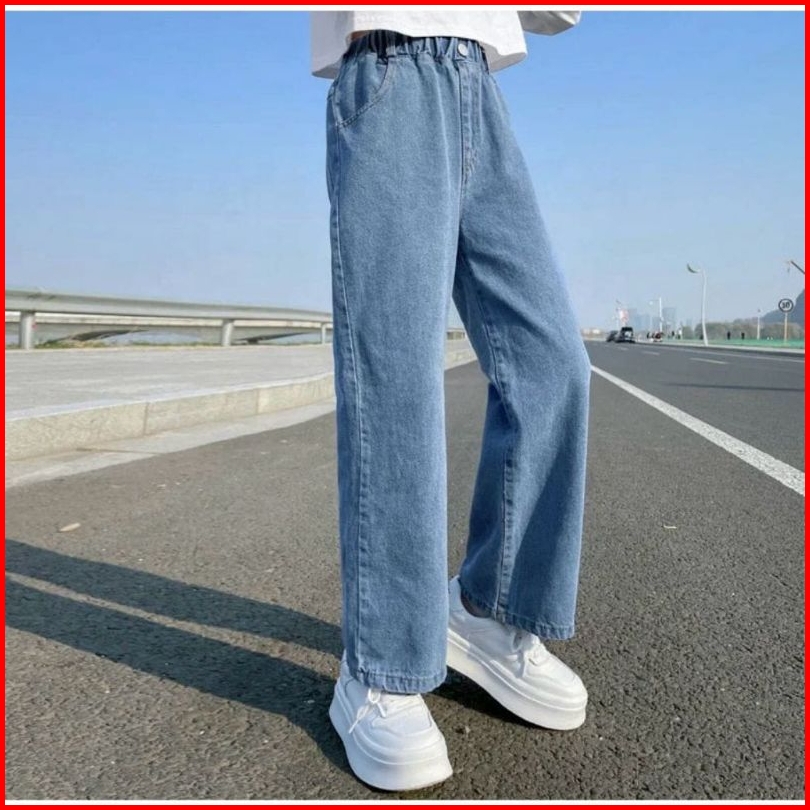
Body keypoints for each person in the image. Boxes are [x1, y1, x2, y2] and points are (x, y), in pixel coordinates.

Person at [311, 9, 590, 791]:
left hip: (481, 83)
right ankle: (379, 667)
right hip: (390, 63)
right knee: (396, 378)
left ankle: (487, 612)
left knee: (553, 365)